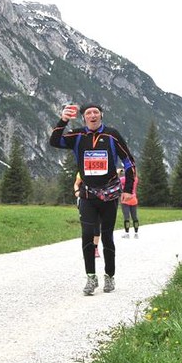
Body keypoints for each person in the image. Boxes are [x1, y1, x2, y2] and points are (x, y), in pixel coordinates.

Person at [50, 103, 137, 295]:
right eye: (88, 113)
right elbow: (54, 141)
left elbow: (128, 161)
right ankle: (91, 277)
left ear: (101, 115)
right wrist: (63, 120)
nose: (92, 115)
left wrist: (129, 188)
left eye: (96, 112)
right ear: (84, 118)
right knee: (87, 234)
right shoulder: (78, 135)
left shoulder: (112, 135)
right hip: (88, 194)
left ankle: (109, 276)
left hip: (109, 194)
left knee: (107, 236)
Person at [74, 172, 101, 257]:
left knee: (96, 225)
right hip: (85, 200)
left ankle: (95, 248)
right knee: (87, 227)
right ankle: (88, 249)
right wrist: (77, 191)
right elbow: (76, 184)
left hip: (99, 200)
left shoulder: (101, 170)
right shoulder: (82, 171)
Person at [118, 168, 139, 238]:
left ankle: (127, 233)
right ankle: (136, 233)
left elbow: (117, 181)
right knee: (135, 217)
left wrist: (119, 173)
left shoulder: (124, 179)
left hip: (125, 200)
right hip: (133, 199)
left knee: (126, 218)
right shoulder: (135, 179)